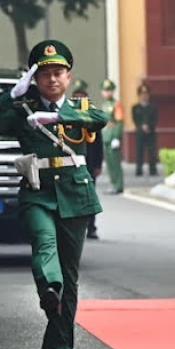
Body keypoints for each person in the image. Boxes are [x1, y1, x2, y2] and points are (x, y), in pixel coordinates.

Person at [0, 40, 107, 349]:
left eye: (58, 73)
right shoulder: (23, 110)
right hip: (37, 191)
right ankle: (51, 287)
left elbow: (100, 118)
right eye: (44, 73)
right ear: (34, 78)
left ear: (68, 75)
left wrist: (58, 114)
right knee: (45, 246)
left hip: (75, 196)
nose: (52, 79)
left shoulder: (82, 107)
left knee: (71, 278)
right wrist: (11, 95)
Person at [71, 80, 104, 239]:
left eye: (82, 99)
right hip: (71, 165)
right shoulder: (66, 118)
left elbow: (98, 144)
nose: (79, 102)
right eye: (76, 99)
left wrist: (98, 164)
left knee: (89, 198)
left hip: (89, 165)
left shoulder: (93, 118)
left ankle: (91, 227)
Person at [100, 79, 124, 194]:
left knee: (115, 162)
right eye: (105, 90)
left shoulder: (116, 104)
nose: (106, 93)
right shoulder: (104, 105)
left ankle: (118, 185)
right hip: (106, 135)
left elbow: (119, 122)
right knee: (109, 163)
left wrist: (116, 137)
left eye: (109, 90)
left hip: (113, 135)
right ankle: (113, 183)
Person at [132, 82, 159, 177]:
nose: (144, 96)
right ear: (139, 96)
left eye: (146, 94)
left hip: (151, 132)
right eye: (142, 95)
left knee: (152, 152)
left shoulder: (152, 107)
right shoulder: (135, 108)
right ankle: (139, 169)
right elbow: (135, 119)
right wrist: (141, 126)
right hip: (140, 133)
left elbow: (155, 119)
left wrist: (149, 126)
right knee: (139, 151)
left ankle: (153, 169)